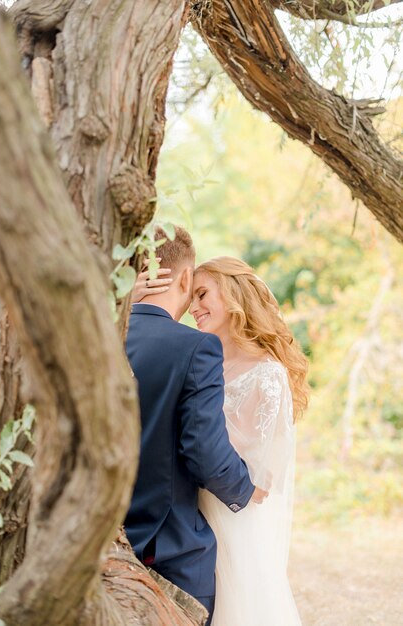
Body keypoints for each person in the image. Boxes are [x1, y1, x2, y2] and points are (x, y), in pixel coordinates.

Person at [135, 253, 309, 626]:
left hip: (231, 515)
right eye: (192, 295)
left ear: (232, 296)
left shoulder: (267, 373)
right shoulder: (197, 358)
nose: (193, 307)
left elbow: (264, 474)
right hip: (186, 512)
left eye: (202, 295)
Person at [124, 227, 265, 625]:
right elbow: (203, 450)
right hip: (168, 548)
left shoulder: (98, 335)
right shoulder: (195, 346)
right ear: (185, 278)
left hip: (94, 539)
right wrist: (245, 488)